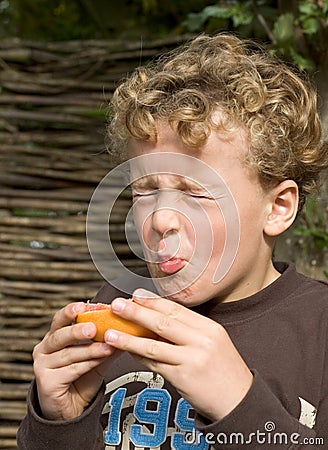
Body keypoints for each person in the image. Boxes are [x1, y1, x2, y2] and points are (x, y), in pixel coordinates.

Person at [17, 33, 328, 449]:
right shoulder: (118, 307)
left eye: (196, 192)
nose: (161, 218)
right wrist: (59, 422)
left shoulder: (318, 330)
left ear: (278, 208)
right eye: (145, 191)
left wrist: (239, 403)